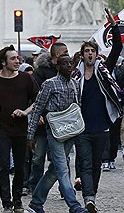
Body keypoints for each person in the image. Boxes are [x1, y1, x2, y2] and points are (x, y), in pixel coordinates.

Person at [72, 26, 124, 213]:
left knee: (96, 165)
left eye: (92, 51)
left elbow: (118, 47)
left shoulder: (104, 71)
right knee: (86, 164)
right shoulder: (75, 76)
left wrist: (114, 26)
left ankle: (91, 195)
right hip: (82, 128)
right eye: (86, 51)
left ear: (96, 54)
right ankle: (89, 198)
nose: (89, 54)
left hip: (102, 127)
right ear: (82, 55)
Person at [26, 53, 86, 213]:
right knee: (62, 167)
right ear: (58, 67)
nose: (69, 66)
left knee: (55, 170)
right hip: (54, 132)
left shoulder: (75, 84)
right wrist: (30, 135)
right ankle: (74, 206)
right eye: (65, 64)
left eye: (70, 64)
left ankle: (36, 203)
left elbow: (77, 106)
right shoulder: (49, 84)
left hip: (71, 131)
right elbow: (37, 108)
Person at [0, 45, 38, 212]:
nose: (17, 61)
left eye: (17, 58)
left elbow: (37, 101)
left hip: (21, 129)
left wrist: (25, 112)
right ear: (3, 62)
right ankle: (6, 202)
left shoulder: (25, 79)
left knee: (20, 166)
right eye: (13, 58)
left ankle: (17, 200)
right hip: (1, 129)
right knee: (4, 166)